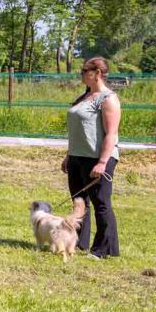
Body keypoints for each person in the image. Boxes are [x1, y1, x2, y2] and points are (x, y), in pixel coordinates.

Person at [62, 56, 122, 258]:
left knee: (101, 204)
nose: (81, 74)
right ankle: (78, 242)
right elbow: (79, 130)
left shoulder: (108, 99)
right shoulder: (84, 96)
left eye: (84, 71)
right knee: (79, 201)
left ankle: (104, 249)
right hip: (78, 156)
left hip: (97, 158)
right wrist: (68, 155)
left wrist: (103, 162)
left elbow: (111, 134)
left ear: (97, 73)